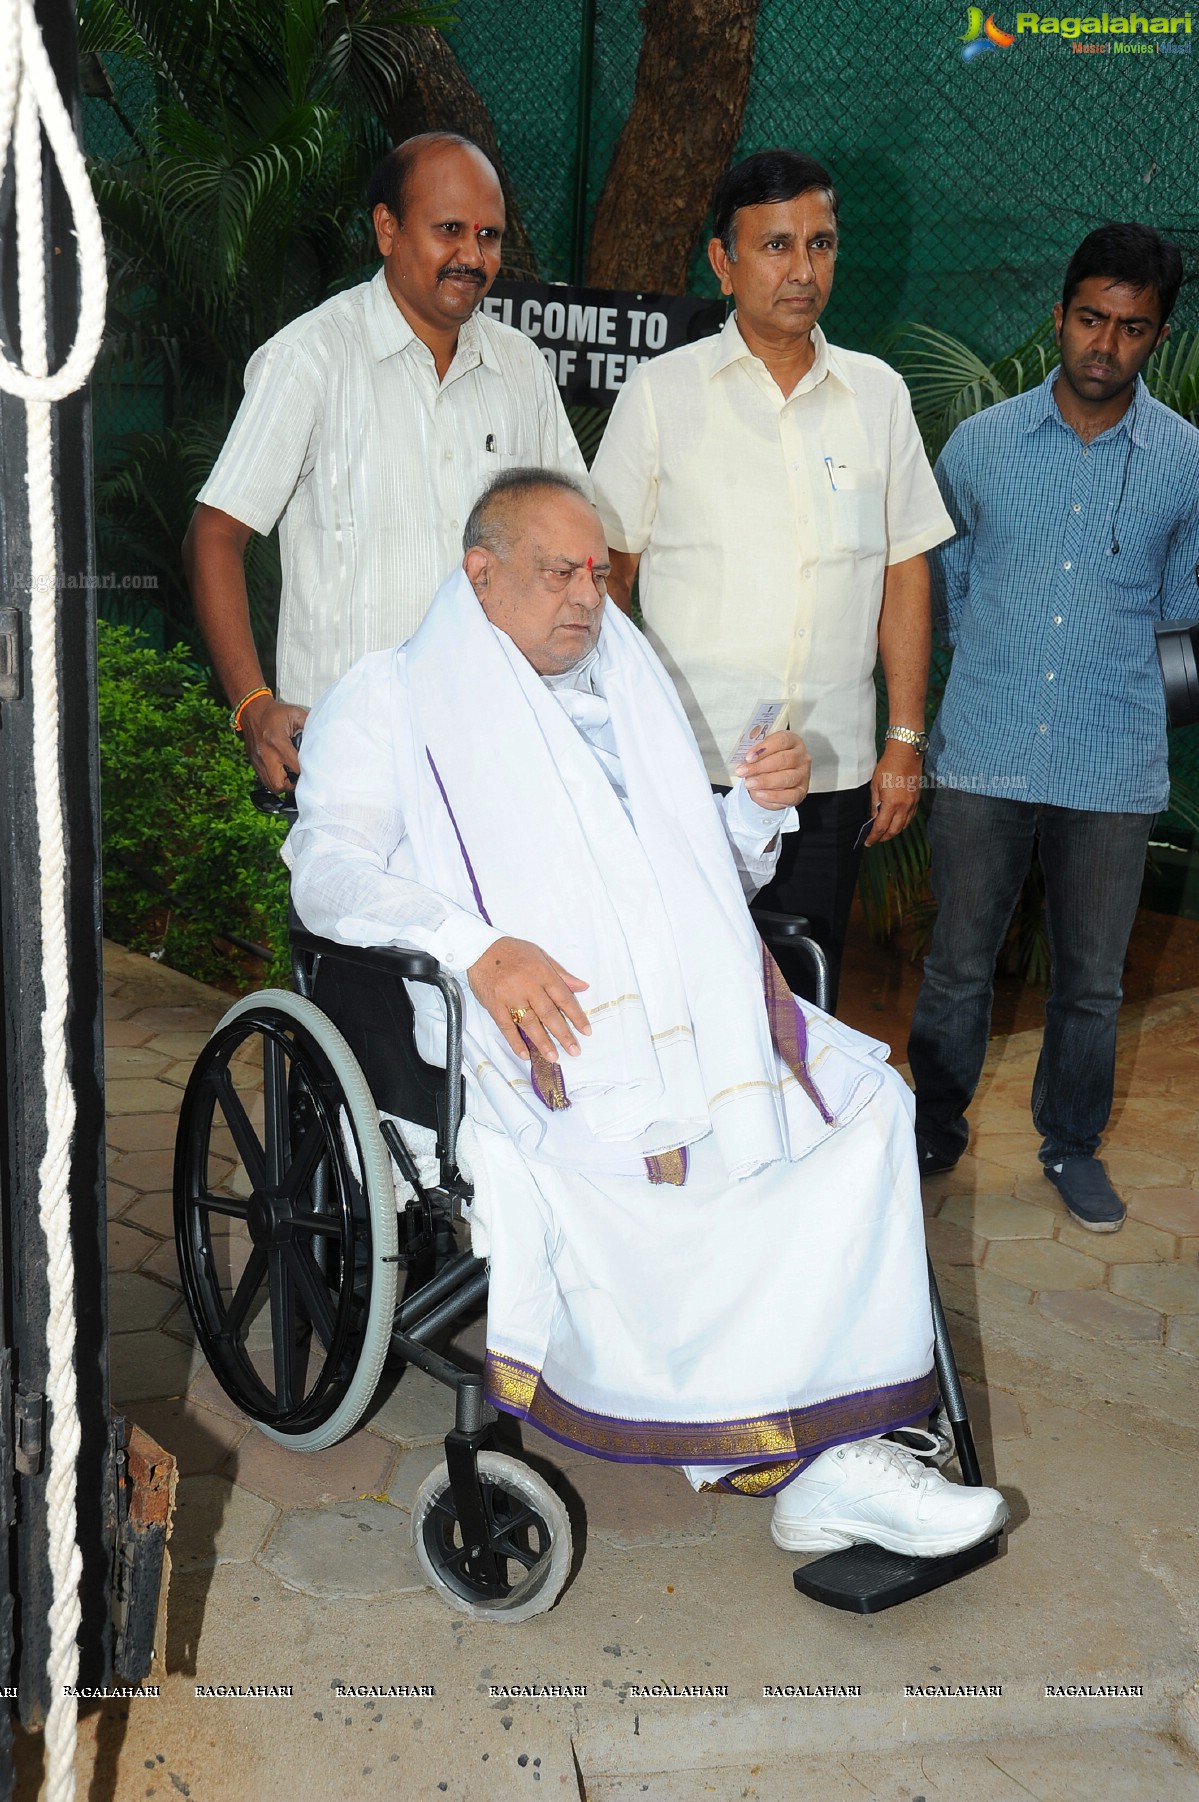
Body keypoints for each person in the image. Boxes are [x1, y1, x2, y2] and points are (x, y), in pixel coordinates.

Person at [285, 467, 1008, 1558]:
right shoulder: (389, 696)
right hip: (534, 1039)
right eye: (555, 571)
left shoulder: (625, 682)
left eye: (597, 570)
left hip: (693, 1013)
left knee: (860, 1116)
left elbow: (687, 879)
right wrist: (476, 946)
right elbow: (324, 871)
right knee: (691, 1164)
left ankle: (847, 1445)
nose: (584, 594)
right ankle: (800, 1458)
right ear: (479, 573)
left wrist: (755, 811)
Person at [590, 149, 953, 1010]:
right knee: (680, 997)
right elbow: (607, 577)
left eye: (821, 245)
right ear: (723, 262)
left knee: (802, 1000)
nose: (803, 270)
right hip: (690, 767)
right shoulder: (660, 395)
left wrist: (902, 741)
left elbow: (904, 567)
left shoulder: (877, 396)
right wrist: (618, 732)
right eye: (777, 246)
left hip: (829, 773)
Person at [907, 223, 1199, 1233]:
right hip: (983, 754)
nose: (1102, 345)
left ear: (1156, 335)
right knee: (955, 960)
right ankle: (930, 1127)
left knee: (1089, 984)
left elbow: (1179, 622)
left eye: (1129, 328)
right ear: (1059, 311)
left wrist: (1143, 728)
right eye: (1088, 318)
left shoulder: (1183, 461)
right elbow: (936, 597)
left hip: (1109, 775)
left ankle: (1068, 1142)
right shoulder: (978, 447)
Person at [183, 132, 589, 793]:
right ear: (387, 229)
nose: (472, 256)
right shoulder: (310, 361)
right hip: (352, 763)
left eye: (489, 235)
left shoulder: (521, 369)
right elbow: (214, 534)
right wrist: (253, 705)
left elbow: (570, 544)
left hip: (496, 759)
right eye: (449, 230)